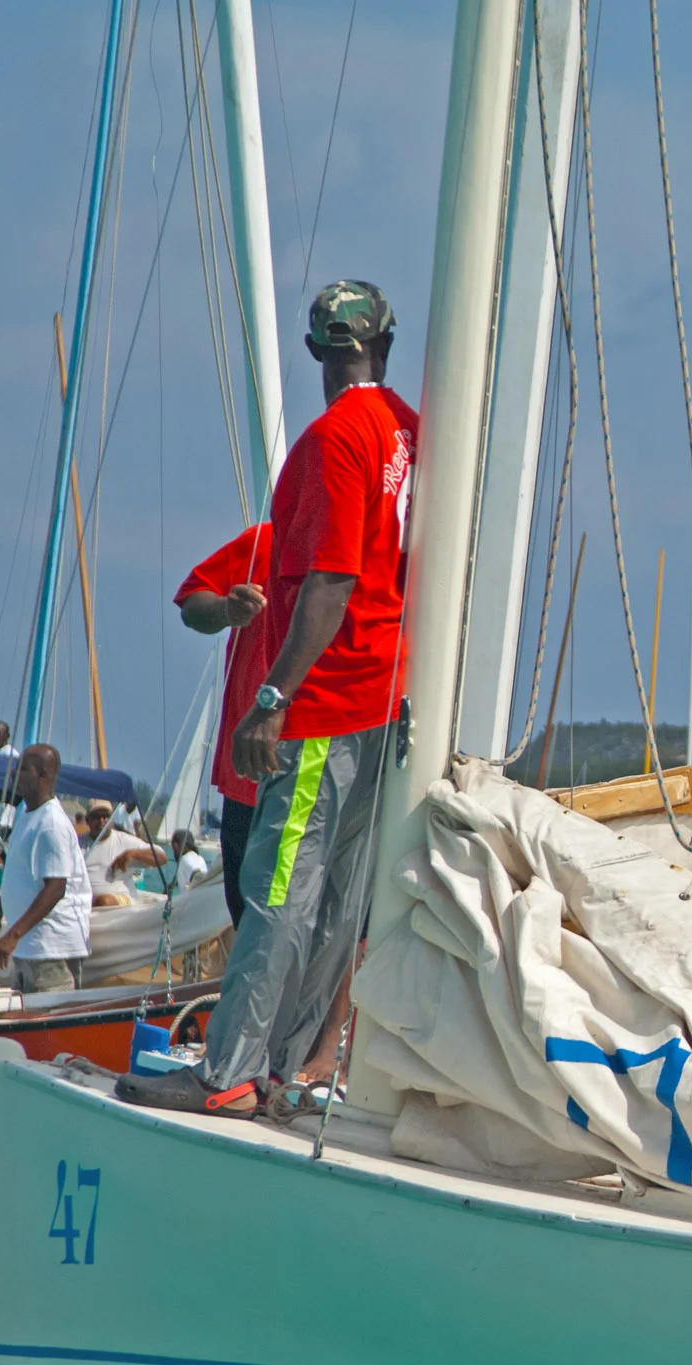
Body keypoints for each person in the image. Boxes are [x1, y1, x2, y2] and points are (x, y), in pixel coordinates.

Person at [118, 280, 417, 1115]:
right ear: (384, 343)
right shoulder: (409, 434)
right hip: (383, 704)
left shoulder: (335, 441)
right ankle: (287, 1071)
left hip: (326, 706)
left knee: (279, 892)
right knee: (332, 901)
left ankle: (230, 1076)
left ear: (322, 351)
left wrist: (273, 695)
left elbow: (330, 580)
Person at [174, 522, 276, 927]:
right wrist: (226, 611)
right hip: (248, 779)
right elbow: (192, 601)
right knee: (249, 916)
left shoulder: (373, 547)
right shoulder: (264, 540)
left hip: (323, 772)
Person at [0, 744, 91, 993]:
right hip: (30, 946)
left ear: (42, 775)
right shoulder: (28, 815)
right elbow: (25, 876)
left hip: (50, 948)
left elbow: (55, 888)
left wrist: (12, 936)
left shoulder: (51, 824)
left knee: (51, 1023)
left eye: (22, 770)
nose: (14, 775)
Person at [80, 802, 161, 899]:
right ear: (87, 820)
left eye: (106, 817)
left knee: (104, 900)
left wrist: (132, 854)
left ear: (112, 820)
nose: (101, 821)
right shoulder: (77, 843)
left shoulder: (124, 840)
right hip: (84, 905)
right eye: (96, 817)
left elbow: (162, 857)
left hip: (119, 904)